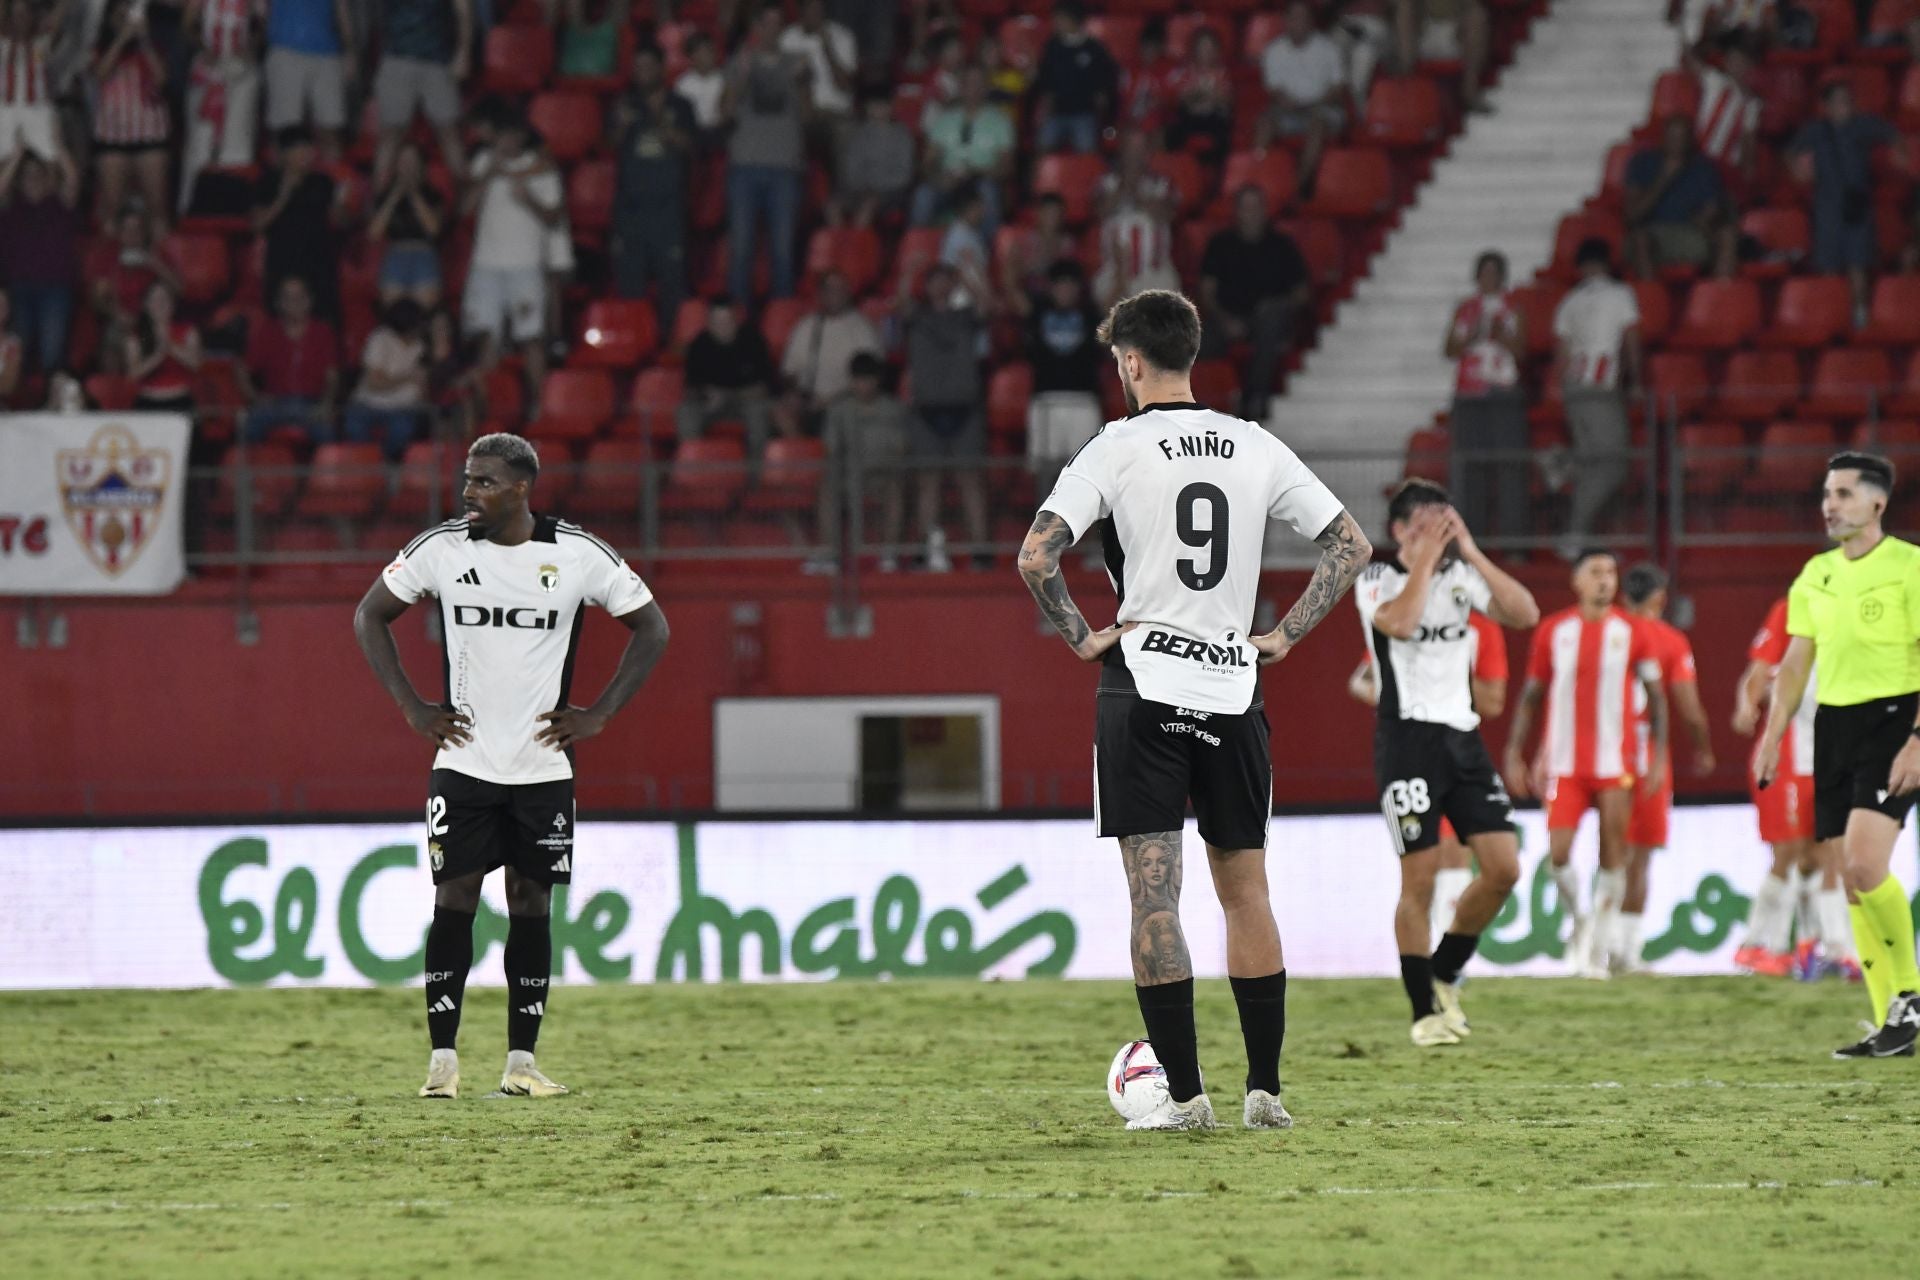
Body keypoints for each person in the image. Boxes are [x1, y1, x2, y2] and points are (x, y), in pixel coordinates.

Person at [1016, 288, 1369, 1131]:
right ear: (1191, 355)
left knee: (1156, 899)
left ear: (1131, 362)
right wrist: (1280, 636)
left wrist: (1081, 636)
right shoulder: (1254, 445)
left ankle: (1183, 1099)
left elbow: (1035, 556)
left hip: (1143, 689)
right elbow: (1351, 544)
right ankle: (1266, 1093)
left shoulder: (1115, 446)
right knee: (1247, 892)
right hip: (1233, 689)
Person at [354, 432, 671, 1101]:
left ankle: (521, 1064)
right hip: (463, 764)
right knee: (453, 902)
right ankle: (442, 1064)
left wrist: (601, 713)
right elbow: (369, 616)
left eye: (485, 483)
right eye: (467, 480)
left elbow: (654, 628)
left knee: (533, 905)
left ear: (522, 488)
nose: (469, 493)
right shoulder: (440, 548)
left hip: (542, 769)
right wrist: (412, 707)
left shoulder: (578, 554)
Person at [1355, 480, 1535, 1043]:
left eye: (1445, 521)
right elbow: (1401, 623)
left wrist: (1473, 552)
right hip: (1407, 740)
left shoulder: (1462, 578)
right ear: (1400, 530)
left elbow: (1524, 613)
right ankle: (1422, 1013)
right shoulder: (1375, 580)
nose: (1440, 531)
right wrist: (1427, 560)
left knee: (1504, 867)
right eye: (1428, 522)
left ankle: (1445, 970)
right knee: (1421, 881)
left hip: (1463, 739)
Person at [1757, 452, 1920, 1057]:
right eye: (1828, 493)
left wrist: (1917, 739)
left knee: (1861, 866)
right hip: (1834, 727)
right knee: (1851, 886)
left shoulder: (1910, 566)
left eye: (1845, 493)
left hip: (1894, 719)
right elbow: (1797, 661)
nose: (1831, 504)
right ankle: (1892, 1023)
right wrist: (1774, 736)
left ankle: (1910, 992)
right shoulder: (1815, 574)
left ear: (1878, 503)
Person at [1503, 549, 1667, 979]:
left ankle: (1597, 950)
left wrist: (1660, 757)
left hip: (1617, 763)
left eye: (1611, 572)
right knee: (1558, 856)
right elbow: (1531, 695)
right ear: (1576, 582)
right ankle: (1580, 920)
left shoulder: (1634, 631)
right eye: (1595, 572)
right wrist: (1514, 752)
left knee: (1614, 854)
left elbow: (1656, 697)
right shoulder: (1553, 631)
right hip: (1565, 764)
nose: (1605, 580)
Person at [1349, 599, 1510, 940]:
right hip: (1405, 756)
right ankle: (1426, 965)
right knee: (1418, 870)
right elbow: (1359, 682)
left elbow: (1494, 701)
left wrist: (1442, 682)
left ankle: (1447, 958)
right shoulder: (1402, 623)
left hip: (1457, 756)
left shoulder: (1482, 629)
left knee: (1456, 855)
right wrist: (1402, 698)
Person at [1733, 594, 1857, 980]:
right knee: (1789, 852)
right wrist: (1747, 703)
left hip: (1831, 753)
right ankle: (1757, 945)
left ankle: (1831, 947)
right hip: (1787, 755)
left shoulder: (1862, 609)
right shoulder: (1793, 606)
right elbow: (1759, 669)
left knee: (1828, 853)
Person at [1615, 563, 1716, 974]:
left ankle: (1596, 946)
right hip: (1647, 760)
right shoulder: (1670, 640)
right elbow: (1689, 709)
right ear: (1660, 598)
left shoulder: (1609, 630)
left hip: (1603, 754)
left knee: (1611, 854)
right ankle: (1626, 950)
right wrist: (1704, 750)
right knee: (1639, 858)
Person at [462, 107, 564, 391]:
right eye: (500, 137)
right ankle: (490, 408)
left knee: (532, 338)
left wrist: (528, 198)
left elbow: (555, 218)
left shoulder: (541, 167)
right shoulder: (483, 162)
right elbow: (463, 209)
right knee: (487, 336)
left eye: (510, 136)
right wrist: (486, 176)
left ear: (520, 137)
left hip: (526, 264)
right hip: (486, 264)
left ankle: (539, 407)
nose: (504, 143)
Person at [1552, 238, 1642, 555]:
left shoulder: (1570, 301)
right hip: (1601, 387)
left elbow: (1561, 353)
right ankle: (1576, 532)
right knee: (1613, 464)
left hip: (1575, 388)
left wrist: (1562, 394)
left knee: (1592, 465)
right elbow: (1630, 339)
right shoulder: (1620, 295)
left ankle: (1582, 535)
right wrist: (1636, 380)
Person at [899, 260, 990, 572]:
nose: (940, 286)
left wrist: (968, 276)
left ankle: (980, 550)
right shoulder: (916, 317)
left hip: (965, 408)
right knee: (928, 482)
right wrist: (910, 273)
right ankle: (927, 549)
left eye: (945, 280)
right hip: (926, 410)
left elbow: (987, 305)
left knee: (970, 480)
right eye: (934, 280)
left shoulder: (966, 316)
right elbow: (900, 305)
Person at [1199, 186, 1311, 422]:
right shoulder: (1220, 244)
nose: (1251, 213)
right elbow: (1207, 292)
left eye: (1256, 207)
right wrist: (1225, 319)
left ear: (1265, 211)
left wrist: (1279, 306)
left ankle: (1256, 397)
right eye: (1245, 207)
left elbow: (1301, 292)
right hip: (1227, 317)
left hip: (1271, 320)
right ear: (1236, 212)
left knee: (1269, 321)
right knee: (1192, 344)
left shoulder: (1282, 245)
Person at [1791, 81, 1899, 328]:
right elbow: (1792, 155)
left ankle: (1860, 318)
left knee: (1857, 264)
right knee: (1828, 266)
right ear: (1826, 106)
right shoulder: (1814, 131)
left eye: (1848, 99)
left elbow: (1892, 135)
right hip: (1827, 207)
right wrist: (1798, 168)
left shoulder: (1863, 125)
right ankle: (1831, 315)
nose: (1845, 105)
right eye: (1839, 100)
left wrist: (1900, 154)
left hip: (1857, 206)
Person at [724, 3, 810, 301]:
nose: (773, 30)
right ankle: (736, 315)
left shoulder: (797, 63)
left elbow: (808, 117)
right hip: (745, 164)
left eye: (778, 24)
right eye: (767, 24)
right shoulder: (741, 61)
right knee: (741, 247)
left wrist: (801, 84)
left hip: (784, 165)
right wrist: (741, 80)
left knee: (782, 249)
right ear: (756, 27)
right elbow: (726, 113)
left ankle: (781, 318)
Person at [1444, 250, 1527, 543]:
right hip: (1469, 393)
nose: (1488, 278)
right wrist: (1474, 334)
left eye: (1494, 273)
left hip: (1503, 392)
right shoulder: (1466, 309)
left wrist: (1499, 334)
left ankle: (1513, 540)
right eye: (1484, 272)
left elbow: (1521, 350)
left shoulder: (1512, 308)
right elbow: (1450, 350)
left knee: (1509, 466)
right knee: (1470, 468)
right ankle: (1472, 539)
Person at [611, 42, 695, 330]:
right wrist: (621, 127)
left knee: (672, 285)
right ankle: (633, 344)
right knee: (630, 286)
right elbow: (604, 147)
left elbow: (688, 146)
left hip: (668, 211)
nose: (642, 73)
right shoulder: (624, 104)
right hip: (631, 210)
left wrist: (659, 117)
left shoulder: (680, 105)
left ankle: (670, 350)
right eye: (637, 68)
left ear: (661, 68)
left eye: (648, 66)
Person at [813, 350, 909, 574]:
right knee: (827, 488)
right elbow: (831, 450)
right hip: (849, 477)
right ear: (852, 380)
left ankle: (889, 554)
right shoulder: (839, 410)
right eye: (859, 380)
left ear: (878, 380)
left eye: (869, 379)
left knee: (895, 488)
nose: (864, 385)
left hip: (883, 476)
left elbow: (902, 449)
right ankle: (830, 554)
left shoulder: (894, 410)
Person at [91, 0, 172, 228]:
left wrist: (143, 39)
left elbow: (161, 79)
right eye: (121, 13)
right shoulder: (100, 46)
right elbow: (101, 74)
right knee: (112, 211)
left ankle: (157, 261)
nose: (126, 18)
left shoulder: (154, 44)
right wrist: (123, 38)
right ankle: (109, 263)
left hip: (150, 132)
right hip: (112, 135)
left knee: (157, 211)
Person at [372, 0, 471, 189]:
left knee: (450, 133)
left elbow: (463, 7)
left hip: (438, 59)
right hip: (397, 55)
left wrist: (463, 51)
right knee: (390, 135)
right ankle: (379, 202)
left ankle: (466, 207)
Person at [1625, 115, 1737, 280]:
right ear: (1663, 138)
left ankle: (1717, 299)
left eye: (1681, 137)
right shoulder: (1642, 163)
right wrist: (1663, 180)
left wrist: (1705, 219)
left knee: (1727, 235)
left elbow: (1712, 210)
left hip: (1690, 233)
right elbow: (1632, 216)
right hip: (1653, 233)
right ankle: (1650, 301)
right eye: (1672, 137)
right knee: (1641, 241)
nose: (1676, 142)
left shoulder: (1703, 168)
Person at [254, 125, 346, 321]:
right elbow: (258, 224)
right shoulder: (268, 182)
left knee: (324, 318)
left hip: (319, 262)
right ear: (286, 154)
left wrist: (341, 204)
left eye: (309, 149)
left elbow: (339, 222)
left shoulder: (323, 182)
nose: (307, 155)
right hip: (283, 260)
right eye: (301, 149)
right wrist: (283, 196)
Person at [0, 147, 80, 374]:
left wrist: (57, 145)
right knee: (17, 353)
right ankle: (17, 405)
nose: (33, 179)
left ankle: (50, 405)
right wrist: (16, 155)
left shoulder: (59, 205)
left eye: (38, 174)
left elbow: (72, 179)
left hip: (55, 289)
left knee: (51, 353)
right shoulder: (12, 207)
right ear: (19, 180)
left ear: (48, 179)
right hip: (18, 288)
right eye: (27, 174)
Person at [1026, 261, 1103, 495]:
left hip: (1083, 401)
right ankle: (1046, 529)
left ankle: (1082, 531)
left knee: (1086, 475)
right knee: (1046, 472)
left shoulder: (1091, 315)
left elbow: (1116, 302)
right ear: (1051, 288)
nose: (1065, 290)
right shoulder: (1038, 313)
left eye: (1070, 285)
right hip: (1045, 402)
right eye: (1060, 285)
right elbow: (1010, 297)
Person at [179, 0, 262, 215]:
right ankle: (192, 205)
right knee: (201, 139)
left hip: (241, 70)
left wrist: (250, 47)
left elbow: (262, 23)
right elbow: (188, 23)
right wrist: (203, 47)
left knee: (238, 140)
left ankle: (235, 204)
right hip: (208, 69)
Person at [911, 64, 1014, 232]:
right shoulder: (944, 120)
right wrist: (939, 178)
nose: (973, 88)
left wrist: (976, 172)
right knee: (924, 194)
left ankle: (985, 251)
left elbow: (1007, 166)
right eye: (968, 83)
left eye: (978, 83)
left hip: (980, 181)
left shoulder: (1000, 121)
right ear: (961, 87)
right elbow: (927, 163)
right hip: (948, 181)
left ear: (986, 87)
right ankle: (918, 250)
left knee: (988, 191)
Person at [1258, 1, 1346, 196]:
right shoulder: (1273, 50)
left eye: (1303, 18)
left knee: (1318, 125)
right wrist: (1287, 102)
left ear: (1311, 21)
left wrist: (1319, 101)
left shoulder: (1328, 48)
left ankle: (1296, 187)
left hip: (1322, 107)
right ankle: (1260, 180)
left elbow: (1338, 87)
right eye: (1293, 17)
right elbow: (1274, 90)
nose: (1298, 22)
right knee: (1264, 123)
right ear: (1286, 21)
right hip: (1287, 108)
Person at [241, 274, 340, 444]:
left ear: (309, 300)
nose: (294, 302)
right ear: (279, 302)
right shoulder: (267, 331)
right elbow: (242, 370)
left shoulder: (322, 332)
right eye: (288, 297)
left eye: (299, 297)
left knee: (327, 431)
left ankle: (321, 470)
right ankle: (256, 470)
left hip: (311, 404)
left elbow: (332, 375)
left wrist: (326, 403)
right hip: (275, 404)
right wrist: (255, 398)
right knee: (249, 426)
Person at [677, 295, 776, 457]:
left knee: (759, 412)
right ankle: (693, 472)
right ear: (709, 323)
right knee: (686, 411)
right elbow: (690, 388)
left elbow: (765, 387)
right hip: (711, 405)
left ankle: (756, 476)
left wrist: (730, 395)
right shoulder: (699, 345)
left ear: (736, 320)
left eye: (727, 321)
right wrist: (706, 394)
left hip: (746, 403)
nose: (722, 327)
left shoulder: (754, 340)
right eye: (717, 322)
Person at [779, 267, 881, 424]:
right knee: (780, 413)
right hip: (808, 400)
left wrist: (830, 400)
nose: (836, 293)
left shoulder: (863, 328)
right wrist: (794, 394)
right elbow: (789, 372)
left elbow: (869, 378)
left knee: (841, 414)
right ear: (821, 294)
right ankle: (801, 448)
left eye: (841, 288)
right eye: (830, 289)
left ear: (848, 292)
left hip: (847, 400)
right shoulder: (806, 326)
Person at [262, 0, 354, 158]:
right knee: (285, 131)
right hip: (285, 48)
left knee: (331, 127)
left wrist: (350, 51)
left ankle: (330, 181)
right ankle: (281, 181)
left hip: (327, 52)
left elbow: (342, 8)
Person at [345, 299, 431, 459]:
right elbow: (375, 382)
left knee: (403, 429)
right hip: (369, 404)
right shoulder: (380, 339)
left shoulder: (422, 347)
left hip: (403, 408)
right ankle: (369, 465)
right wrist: (407, 377)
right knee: (354, 426)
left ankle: (388, 469)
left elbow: (423, 387)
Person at [369, 141, 446, 309]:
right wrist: (394, 196)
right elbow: (374, 233)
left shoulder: (432, 195)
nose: (407, 166)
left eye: (412, 161)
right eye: (403, 161)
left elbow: (433, 229)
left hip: (424, 255)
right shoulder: (385, 195)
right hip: (396, 254)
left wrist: (413, 194)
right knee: (394, 314)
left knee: (425, 313)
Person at [1031, 2, 1116, 154]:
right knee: (1041, 149)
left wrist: (1101, 104)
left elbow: (1105, 82)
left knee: (1086, 151)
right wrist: (1045, 108)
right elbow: (1046, 83)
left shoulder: (1094, 48)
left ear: (1072, 20)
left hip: (1084, 114)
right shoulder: (1052, 47)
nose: (1055, 23)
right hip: (1056, 113)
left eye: (1059, 19)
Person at [831, 87, 914, 229]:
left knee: (868, 206)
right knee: (833, 206)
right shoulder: (859, 136)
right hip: (860, 189)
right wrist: (863, 187)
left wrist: (877, 188)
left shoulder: (902, 136)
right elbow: (852, 170)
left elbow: (904, 175)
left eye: (882, 105)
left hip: (891, 191)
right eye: (874, 105)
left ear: (890, 107)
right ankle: (839, 247)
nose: (877, 109)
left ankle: (856, 249)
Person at [0, 0, 66, 166]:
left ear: (32, 17)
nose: (20, 19)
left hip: (38, 111)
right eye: (16, 15)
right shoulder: (3, 45)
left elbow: (57, 17)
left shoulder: (41, 44)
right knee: (6, 167)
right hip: (6, 111)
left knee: (50, 164)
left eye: (24, 14)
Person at [1394, 0, 1489, 113]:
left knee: (1477, 16)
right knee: (1405, 7)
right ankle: (1405, 84)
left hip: (1455, 31)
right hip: (1422, 31)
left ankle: (1469, 93)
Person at [124, 279, 200, 412]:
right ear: (146, 305)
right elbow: (133, 374)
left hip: (180, 401)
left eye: (164, 299)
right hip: (148, 403)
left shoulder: (188, 331)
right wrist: (158, 355)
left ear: (172, 304)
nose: (160, 305)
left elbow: (196, 364)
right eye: (155, 300)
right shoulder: (136, 337)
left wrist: (171, 346)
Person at [997, 194, 1076, 316]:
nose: (1052, 218)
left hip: (1058, 298)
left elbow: (1072, 276)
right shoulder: (1024, 241)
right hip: (1031, 296)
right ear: (1039, 214)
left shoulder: (1067, 243)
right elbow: (1009, 276)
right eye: (1049, 213)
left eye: (1056, 213)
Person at [1165, 26, 1233, 164]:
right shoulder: (1185, 72)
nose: (1206, 52)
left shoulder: (1222, 73)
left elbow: (1226, 98)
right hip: (1190, 117)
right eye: (1202, 48)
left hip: (1213, 118)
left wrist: (1209, 96)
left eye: (1210, 48)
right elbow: (1180, 97)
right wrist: (1199, 95)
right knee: (1173, 132)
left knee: (1224, 134)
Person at [674, 31, 728, 148]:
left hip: (718, 134)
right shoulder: (683, 84)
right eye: (704, 51)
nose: (709, 55)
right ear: (692, 56)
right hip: (693, 136)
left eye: (711, 50)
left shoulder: (722, 80)